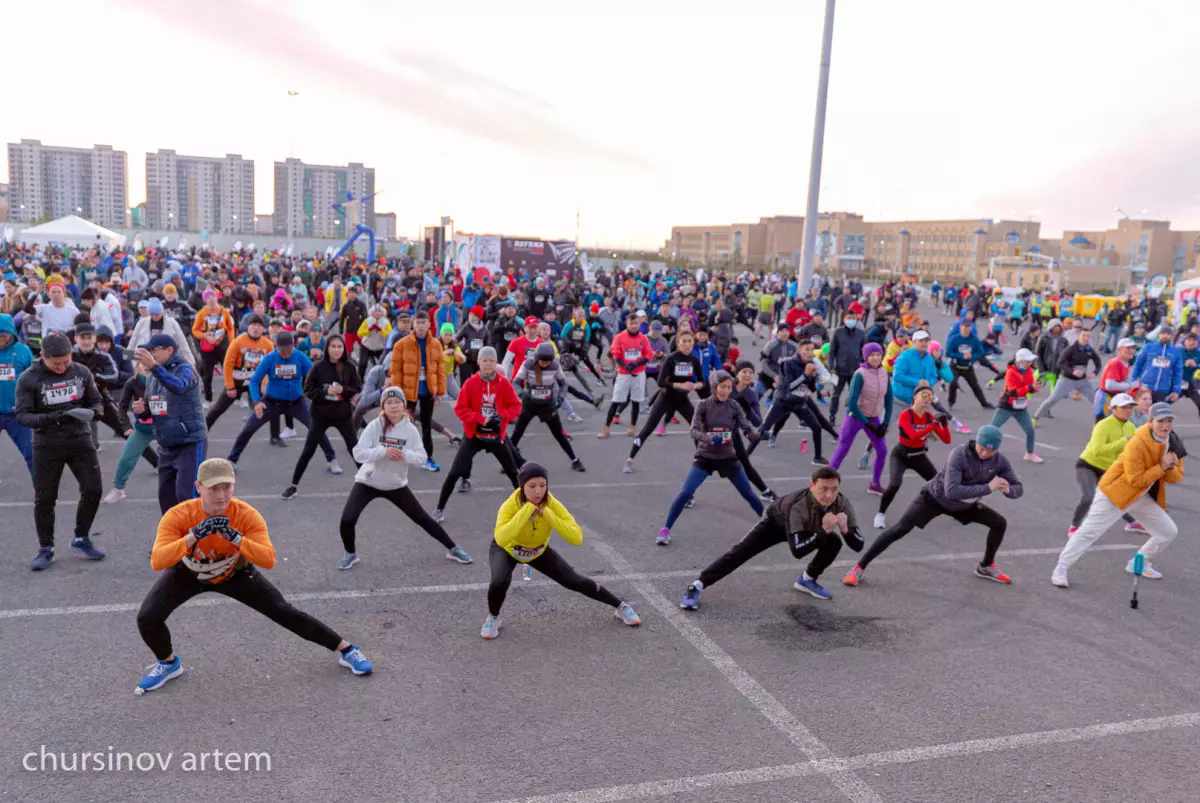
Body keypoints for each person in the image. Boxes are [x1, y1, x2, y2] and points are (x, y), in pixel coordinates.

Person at [135, 458, 372, 694]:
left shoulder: (246, 514)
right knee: (147, 617)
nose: (221, 495)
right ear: (198, 487)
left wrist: (236, 538)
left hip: (234, 573)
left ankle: (347, 650)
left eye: (226, 487)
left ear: (233, 486)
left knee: (284, 611)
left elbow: (268, 559)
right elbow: (158, 560)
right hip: (189, 571)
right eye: (213, 488)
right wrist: (193, 536)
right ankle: (168, 663)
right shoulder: (179, 515)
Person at [843, 424, 1022, 587]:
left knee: (999, 523)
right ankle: (859, 567)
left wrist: (1008, 490)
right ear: (977, 442)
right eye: (982, 449)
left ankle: (986, 566)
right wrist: (988, 487)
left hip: (963, 506)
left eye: (990, 452)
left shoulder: (999, 461)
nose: (984, 454)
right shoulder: (959, 455)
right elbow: (952, 490)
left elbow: (1018, 488)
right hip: (934, 498)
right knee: (899, 529)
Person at [482, 461, 641, 639]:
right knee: (498, 581)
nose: (538, 492)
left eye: (543, 485)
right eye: (532, 486)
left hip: (537, 551)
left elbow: (576, 537)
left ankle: (620, 606)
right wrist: (526, 511)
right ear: (521, 487)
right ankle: (493, 617)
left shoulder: (551, 504)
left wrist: (548, 515)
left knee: (574, 580)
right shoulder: (510, 505)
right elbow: (501, 538)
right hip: (507, 549)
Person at [680, 465, 864, 608]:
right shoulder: (797, 505)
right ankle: (697, 585)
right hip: (774, 525)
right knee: (739, 553)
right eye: (824, 488)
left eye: (834, 489)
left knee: (834, 542)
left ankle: (807, 579)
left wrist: (846, 530)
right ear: (811, 485)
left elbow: (858, 546)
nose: (829, 495)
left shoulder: (842, 503)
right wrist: (823, 530)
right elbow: (797, 551)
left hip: (809, 527)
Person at [336, 387, 471, 570]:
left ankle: (453, 548)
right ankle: (350, 553)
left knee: (422, 518)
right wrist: (383, 451)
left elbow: (422, 458)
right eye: (389, 403)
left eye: (397, 402)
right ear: (383, 406)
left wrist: (404, 455)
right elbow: (358, 453)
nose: (393, 406)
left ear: (404, 405)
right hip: (368, 481)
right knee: (347, 519)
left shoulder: (409, 429)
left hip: (395, 484)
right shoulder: (375, 426)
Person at [1052, 403, 1183, 587]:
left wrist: (1170, 467)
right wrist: (1161, 467)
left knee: (1167, 532)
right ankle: (1061, 568)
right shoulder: (1137, 443)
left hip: (1140, 496)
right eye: (1161, 421)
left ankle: (1140, 562)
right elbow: (1135, 480)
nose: (1165, 425)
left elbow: (1176, 477)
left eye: (1169, 421)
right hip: (1113, 493)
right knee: (1088, 532)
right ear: (1150, 422)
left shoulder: (1173, 441)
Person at [14, 332, 106, 570]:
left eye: (66, 361)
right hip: (46, 444)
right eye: (57, 364)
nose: (62, 367)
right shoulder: (29, 378)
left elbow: (97, 401)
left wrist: (93, 413)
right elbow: (22, 416)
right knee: (45, 498)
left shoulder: (81, 371)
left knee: (93, 489)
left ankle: (81, 537)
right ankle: (46, 548)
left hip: (80, 439)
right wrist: (56, 418)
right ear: (43, 357)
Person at [656, 371, 765, 546]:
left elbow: (746, 427)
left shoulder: (734, 406)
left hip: (727, 457)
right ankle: (665, 530)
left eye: (729, 388)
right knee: (685, 492)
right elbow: (693, 431)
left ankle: (771, 526)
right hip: (705, 456)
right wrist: (709, 438)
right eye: (722, 387)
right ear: (714, 387)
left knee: (749, 494)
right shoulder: (704, 405)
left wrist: (756, 436)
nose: (726, 391)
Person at [433, 347, 521, 518]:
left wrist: (502, 417)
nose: (488, 364)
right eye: (484, 360)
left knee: (512, 471)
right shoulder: (470, 383)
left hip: (496, 436)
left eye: (491, 361)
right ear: (479, 362)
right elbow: (460, 409)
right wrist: (480, 419)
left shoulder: (503, 383)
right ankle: (439, 510)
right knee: (455, 471)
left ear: (496, 363)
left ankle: (528, 508)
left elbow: (516, 406)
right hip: (474, 436)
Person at [227, 331, 336, 468]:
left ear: (293, 346)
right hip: (272, 402)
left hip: (297, 402)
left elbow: (315, 376)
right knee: (249, 428)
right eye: (282, 350)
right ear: (276, 347)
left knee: (316, 428)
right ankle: (232, 460)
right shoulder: (269, 359)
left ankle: (332, 460)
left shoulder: (300, 357)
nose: (286, 353)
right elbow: (254, 382)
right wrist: (257, 402)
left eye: (289, 349)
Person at [134, 333, 209, 513]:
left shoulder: (185, 368)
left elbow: (179, 386)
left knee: (187, 497)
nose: (151, 353)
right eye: (149, 350)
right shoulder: (153, 375)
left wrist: (153, 366)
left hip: (189, 441)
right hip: (166, 444)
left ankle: (197, 538)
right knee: (166, 499)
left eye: (154, 350)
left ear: (169, 350)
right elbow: (154, 407)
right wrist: (142, 410)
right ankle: (173, 539)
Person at [281, 335, 362, 500]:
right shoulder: (318, 367)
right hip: (321, 415)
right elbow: (308, 390)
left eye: (340, 346)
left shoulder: (350, 367)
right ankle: (293, 485)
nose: (337, 350)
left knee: (355, 449)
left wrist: (343, 391)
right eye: (333, 346)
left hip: (343, 415)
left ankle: (370, 482)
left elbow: (357, 387)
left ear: (344, 349)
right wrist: (325, 391)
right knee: (308, 450)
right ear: (328, 349)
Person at [875, 380, 950, 529]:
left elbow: (946, 440)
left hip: (919, 456)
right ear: (915, 397)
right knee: (895, 484)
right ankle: (880, 514)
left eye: (930, 397)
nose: (927, 399)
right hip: (901, 455)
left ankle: (953, 508)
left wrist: (944, 425)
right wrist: (933, 425)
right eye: (924, 395)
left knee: (938, 483)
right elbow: (913, 436)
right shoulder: (906, 415)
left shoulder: (929, 418)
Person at [624, 329, 701, 472]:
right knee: (648, 428)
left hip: (682, 400)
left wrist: (694, 385)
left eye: (690, 341)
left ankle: (701, 459)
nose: (687, 344)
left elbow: (703, 382)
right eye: (684, 341)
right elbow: (660, 382)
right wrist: (678, 385)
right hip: (666, 398)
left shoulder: (694, 360)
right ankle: (629, 459)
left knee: (696, 429)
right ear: (678, 343)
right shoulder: (671, 359)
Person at [1069, 393, 1141, 535]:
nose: (1128, 410)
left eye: (1130, 407)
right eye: (1123, 407)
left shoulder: (1131, 426)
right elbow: (1097, 450)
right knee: (1089, 496)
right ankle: (1074, 526)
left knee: (1117, 497)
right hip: (1088, 465)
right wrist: (1124, 441)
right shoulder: (1103, 425)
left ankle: (1132, 523)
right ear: (1113, 409)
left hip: (1109, 469)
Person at [510, 342, 586, 471]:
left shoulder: (555, 366)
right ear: (537, 359)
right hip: (530, 404)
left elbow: (563, 384)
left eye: (548, 362)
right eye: (542, 362)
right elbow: (516, 382)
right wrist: (522, 394)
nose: (545, 364)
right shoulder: (528, 365)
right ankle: (510, 460)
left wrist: (560, 399)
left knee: (559, 435)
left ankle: (575, 460)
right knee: (517, 432)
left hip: (548, 405)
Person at [828, 342, 892, 493]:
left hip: (874, 417)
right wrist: (865, 422)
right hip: (855, 417)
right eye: (872, 355)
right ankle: (825, 482)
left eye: (878, 354)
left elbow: (889, 399)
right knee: (843, 449)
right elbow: (851, 402)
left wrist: (885, 423)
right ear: (866, 357)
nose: (876, 358)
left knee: (882, 451)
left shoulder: (884, 374)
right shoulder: (860, 374)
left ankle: (875, 484)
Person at [388, 310, 445, 472]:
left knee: (426, 425)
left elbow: (440, 369)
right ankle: (397, 456)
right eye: (418, 323)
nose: (420, 326)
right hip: (407, 391)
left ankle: (428, 458)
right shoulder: (401, 344)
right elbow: (395, 370)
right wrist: (397, 392)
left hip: (427, 390)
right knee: (403, 424)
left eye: (423, 323)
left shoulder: (436, 344)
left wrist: (440, 391)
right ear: (414, 324)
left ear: (429, 324)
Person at [205, 314, 274, 431]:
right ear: (248, 327)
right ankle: (203, 431)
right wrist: (230, 386)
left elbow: (270, 367)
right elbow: (227, 365)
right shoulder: (237, 342)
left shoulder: (268, 344)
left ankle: (275, 436)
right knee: (218, 409)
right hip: (237, 380)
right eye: (253, 325)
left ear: (263, 329)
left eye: (259, 326)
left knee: (271, 407)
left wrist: (264, 382)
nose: (256, 328)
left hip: (255, 382)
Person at [597, 311, 653, 439]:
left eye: (636, 323)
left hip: (638, 373)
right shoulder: (619, 337)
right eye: (631, 323)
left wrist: (637, 363)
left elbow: (648, 355)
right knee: (616, 401)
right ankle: (606, 429)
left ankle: (632, 427)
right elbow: (615, 354)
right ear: (627, 323)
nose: (634, 326)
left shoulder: (643, 338)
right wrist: (624, 365)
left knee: (636, 401)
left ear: (639, 324)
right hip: (623, 373)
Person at [1032, 326, 1100, 420]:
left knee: (1097, 401)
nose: (1086, 338)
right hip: (1067, 379)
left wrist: (1094, 373)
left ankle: (1102, 423)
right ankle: (1035, 417)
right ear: (1079, 336)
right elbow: (1060, 363)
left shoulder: (1089, 350)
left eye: (1089, 336)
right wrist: (1072, 371)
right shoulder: (1071, 348)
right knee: (1053, 399)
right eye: (1084, 335)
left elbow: (1098, 363)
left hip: (1082, 381)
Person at [0, 312, 36, 477]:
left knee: (33, 454)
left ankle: (43, 494)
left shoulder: (22, 351)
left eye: (3, 335)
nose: (0, 339)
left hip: (18, 414)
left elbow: (35, 378)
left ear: (10, 334)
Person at [191, 290, 235, 404]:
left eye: (213, 296)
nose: (211, 298)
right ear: (205, 300)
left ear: (217, 298)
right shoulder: (202, 313)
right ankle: (208, 399)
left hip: (222, 344)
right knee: (207, 373)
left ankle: (235, 397)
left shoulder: (223, 311)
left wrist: (231, 342)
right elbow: (194, 330)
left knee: (229, 370)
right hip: (208, 346)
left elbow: (230, 328)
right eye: (208, 297)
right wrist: (204, 336)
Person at [1130, 323, 1183, 404]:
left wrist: (1176, 390)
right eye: (1163, 333)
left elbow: (1178, 372)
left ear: (1172, 336)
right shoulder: (1148, 347)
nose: (1165, 336)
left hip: (1163, 389)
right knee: (1142, 412)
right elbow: (1138, 364)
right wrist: (1133, 380)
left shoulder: (1176, 351)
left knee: (1157, 414)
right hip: (1145, 386)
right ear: (1159, 335)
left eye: (1168, 334)